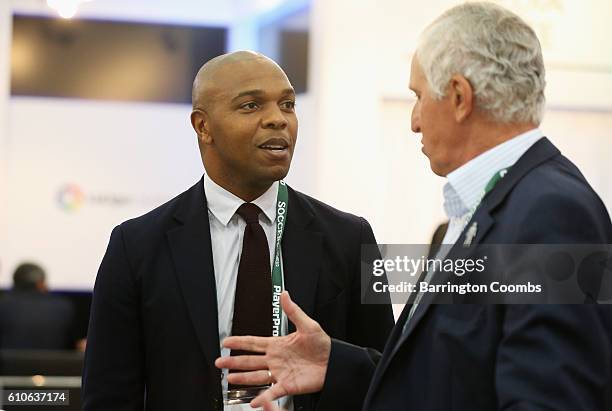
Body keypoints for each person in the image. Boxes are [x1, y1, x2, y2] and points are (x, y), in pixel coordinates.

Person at [216, 3, 612, 410]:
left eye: (418, 97)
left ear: (459, 97)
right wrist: (337, 365)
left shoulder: (550, 214)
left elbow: (552, 400)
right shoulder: (496, 209)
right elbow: (453, 374)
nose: (414, 121)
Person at [81, 51, 394, 411]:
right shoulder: (135, 246)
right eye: (251, 106)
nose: (278, 119)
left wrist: (336, 361)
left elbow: (388, 375)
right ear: (203, 126)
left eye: (288, 104)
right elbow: (109, 395)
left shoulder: (351, 237)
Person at [0, 262, 75, 350]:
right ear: (40, 283)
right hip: (53, 363)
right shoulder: (63, 307)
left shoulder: (3, 304)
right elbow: (71, 345)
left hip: (9, 363)